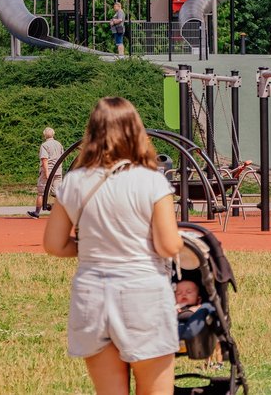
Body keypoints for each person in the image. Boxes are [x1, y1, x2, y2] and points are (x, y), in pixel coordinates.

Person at [44, 97, 183, 394]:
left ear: (92, 131)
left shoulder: (74, 181)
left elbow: (54, 244)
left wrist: (93, 248)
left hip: (92, 296)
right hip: (142, 293)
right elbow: (169, 245)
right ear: (136, 132)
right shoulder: (151, 182)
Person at [28, 127, 64, 219]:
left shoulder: (44, 145)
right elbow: (62, 156)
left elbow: (44, 159)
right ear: (53, 134)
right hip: (58, 171)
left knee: (42, 192)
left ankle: (36, 213)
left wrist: (47, 172)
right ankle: (58, 210)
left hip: (48, 171)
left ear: (44, 135)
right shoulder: (59, 144)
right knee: (58, 192)